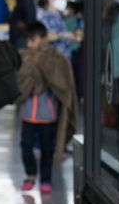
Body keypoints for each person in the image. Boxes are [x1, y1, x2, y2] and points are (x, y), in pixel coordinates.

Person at [18, 21, 78, 194]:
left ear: (43, 38)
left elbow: (62, 82)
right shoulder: (23, 58)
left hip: (48, 114)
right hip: (28, 113)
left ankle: (45, 179)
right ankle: (30, 175)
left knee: (47, 149)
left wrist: (43, 67)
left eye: (33, 40)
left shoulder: (56, 58)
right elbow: (19, 82)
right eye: (27, 41)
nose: (29, 44)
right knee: (25, 145)